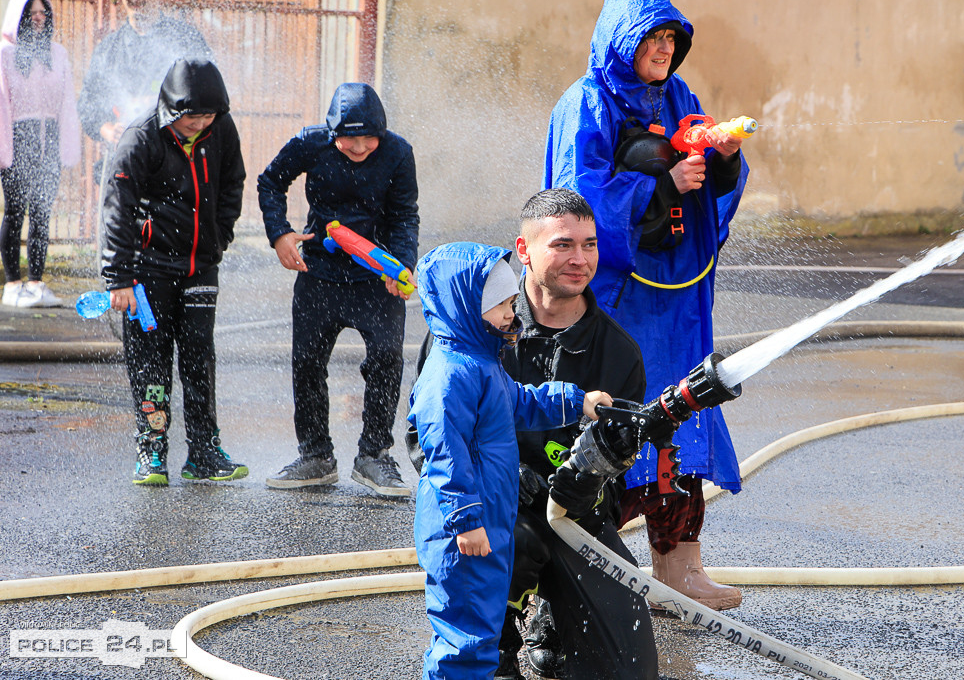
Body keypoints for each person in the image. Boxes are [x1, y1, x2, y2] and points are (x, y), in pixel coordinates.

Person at [545, 0, 749, 611]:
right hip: (621, 291)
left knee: (684, 415)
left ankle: (680, 567)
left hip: (677, 294)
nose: (663, 49)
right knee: (617, 420)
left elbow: (710, 180)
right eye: (650, 38)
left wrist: (726, 159)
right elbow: (577, 198)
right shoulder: (587, 101)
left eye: (670, 39)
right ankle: (593, 570)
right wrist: (661, 184)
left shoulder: (680, 94)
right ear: (622, 39)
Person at [410, 240, 609, 680]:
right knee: (465, 636)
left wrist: (576, 401)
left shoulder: (481, 362)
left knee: (481, 629)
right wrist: (465, 521)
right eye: (499, 305)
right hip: (463, 530)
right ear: (464, 307)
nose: (510, 314)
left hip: (488, 518)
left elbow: (518, 402)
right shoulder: (450, 374)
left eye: (511, 302)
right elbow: (444, 456)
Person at [495, 188, 657, 680]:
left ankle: (551, 616)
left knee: (628, 671)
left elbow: (617, 473)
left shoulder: (618, 353)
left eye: (589, 245)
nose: (580, 259)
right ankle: (493, 647)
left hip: (574, 516)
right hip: (489, 511)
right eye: (563, 244)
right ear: (524, 251)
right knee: (515, 542)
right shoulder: (483, 328)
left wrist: (585, 485)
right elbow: (427, 437)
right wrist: (498, 476)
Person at [259, 82, 419, 497]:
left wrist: (402, 264)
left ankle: (374, 456)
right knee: (307, 363)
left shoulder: (398, 152)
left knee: (387, 359)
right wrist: (280, 233)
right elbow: (270, 182)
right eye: (350, 138)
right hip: (319, 272)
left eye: (369, 138)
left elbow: (404, 215)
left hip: (376, 275)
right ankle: (315, 456)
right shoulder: (310, 143)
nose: (360, 147)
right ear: (333, 132)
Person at [102, 57, 247, 486]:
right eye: (191, 117)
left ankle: (204, 451)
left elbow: (233, 182)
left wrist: (219, 237)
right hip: (147, 272)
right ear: (170, 109)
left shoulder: (221, 129)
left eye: (207, 116)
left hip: (200, 267)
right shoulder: (141, 137)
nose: (199, 124)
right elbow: (117, 208)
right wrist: (118, 279)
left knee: (200, 357)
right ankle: (151, 450)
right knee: (150, 361)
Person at [0, 0, 80, 308]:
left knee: (42, 213)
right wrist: (4, 151)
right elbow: (2, 106)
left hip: (50, 141)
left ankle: (36, 282)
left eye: (42, 12)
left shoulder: (58, 54)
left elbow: (67, 104)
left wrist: (66, 149)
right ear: (18, 18)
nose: (38, 18)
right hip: (18, 138)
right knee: (15, 212)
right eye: (31, 13)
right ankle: (12, 284)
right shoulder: (6, 55)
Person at [78, 0, 212, 151]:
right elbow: (88, 103)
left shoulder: (186, 39)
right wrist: (108, 130)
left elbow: (209, 95)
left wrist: (162, 105)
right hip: (126, 155)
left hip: (176, 153)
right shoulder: (108, 50)